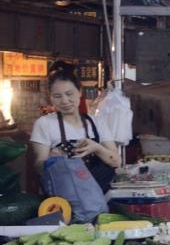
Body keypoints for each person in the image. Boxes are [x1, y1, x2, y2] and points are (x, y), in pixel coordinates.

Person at [31, 64, 121, 192]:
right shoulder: (44, 124)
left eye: (69, 94)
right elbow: (39, 167)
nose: (65, 101)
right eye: (58, 96)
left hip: (101, 198)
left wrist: (96, 147)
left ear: (79, 92)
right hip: (65, 199)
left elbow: (116, 161)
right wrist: (51, 161)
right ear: (51, 98)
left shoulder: (97, 122)